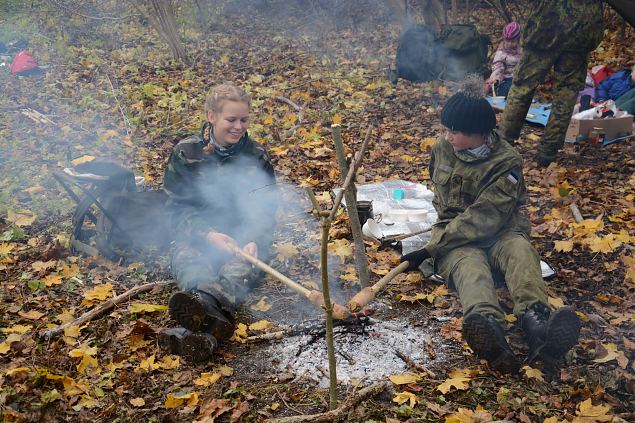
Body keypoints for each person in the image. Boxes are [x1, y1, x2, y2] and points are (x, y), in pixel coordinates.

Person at [401, 76, 581, 374]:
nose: (448, 137)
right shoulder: (443, 150)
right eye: (446, 130)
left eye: (454, 132)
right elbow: (446, 207)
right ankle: (490, 333)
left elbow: (484, 217)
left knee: (521, 253)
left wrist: (431, 249)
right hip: (457, 237)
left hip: (501, 231)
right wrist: (440, 242)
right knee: (470, 270)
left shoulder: (505, 162)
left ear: (479, 134)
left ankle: (538, 325)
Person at [158, 83, 279, 362]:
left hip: (242, 239)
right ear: (211, 116)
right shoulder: (186, 152)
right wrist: (206, 234)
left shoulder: (256, 155)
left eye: (244, 120)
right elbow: (175, 208)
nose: (239, 127)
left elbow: (265, 209)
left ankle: (193, 329)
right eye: (231, 120)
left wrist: (254, 240)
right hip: (198, 235)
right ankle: (213, 327)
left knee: (239, 270)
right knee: (190, 262)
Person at [498, 0, 604, 168]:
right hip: (583, 26)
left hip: (547, 24)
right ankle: (548, 153)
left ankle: (503, 144)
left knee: (522, 86)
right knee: (567, 93)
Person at [487, 22, 521, 98]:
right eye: (507, 41)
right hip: (505, 77)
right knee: (501, 89)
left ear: (518, 40)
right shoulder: (502, 50)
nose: (509, 44)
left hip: (518, 76)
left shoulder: (521, 49)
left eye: (512, 41)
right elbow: (498, 64)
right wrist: (497, 75)